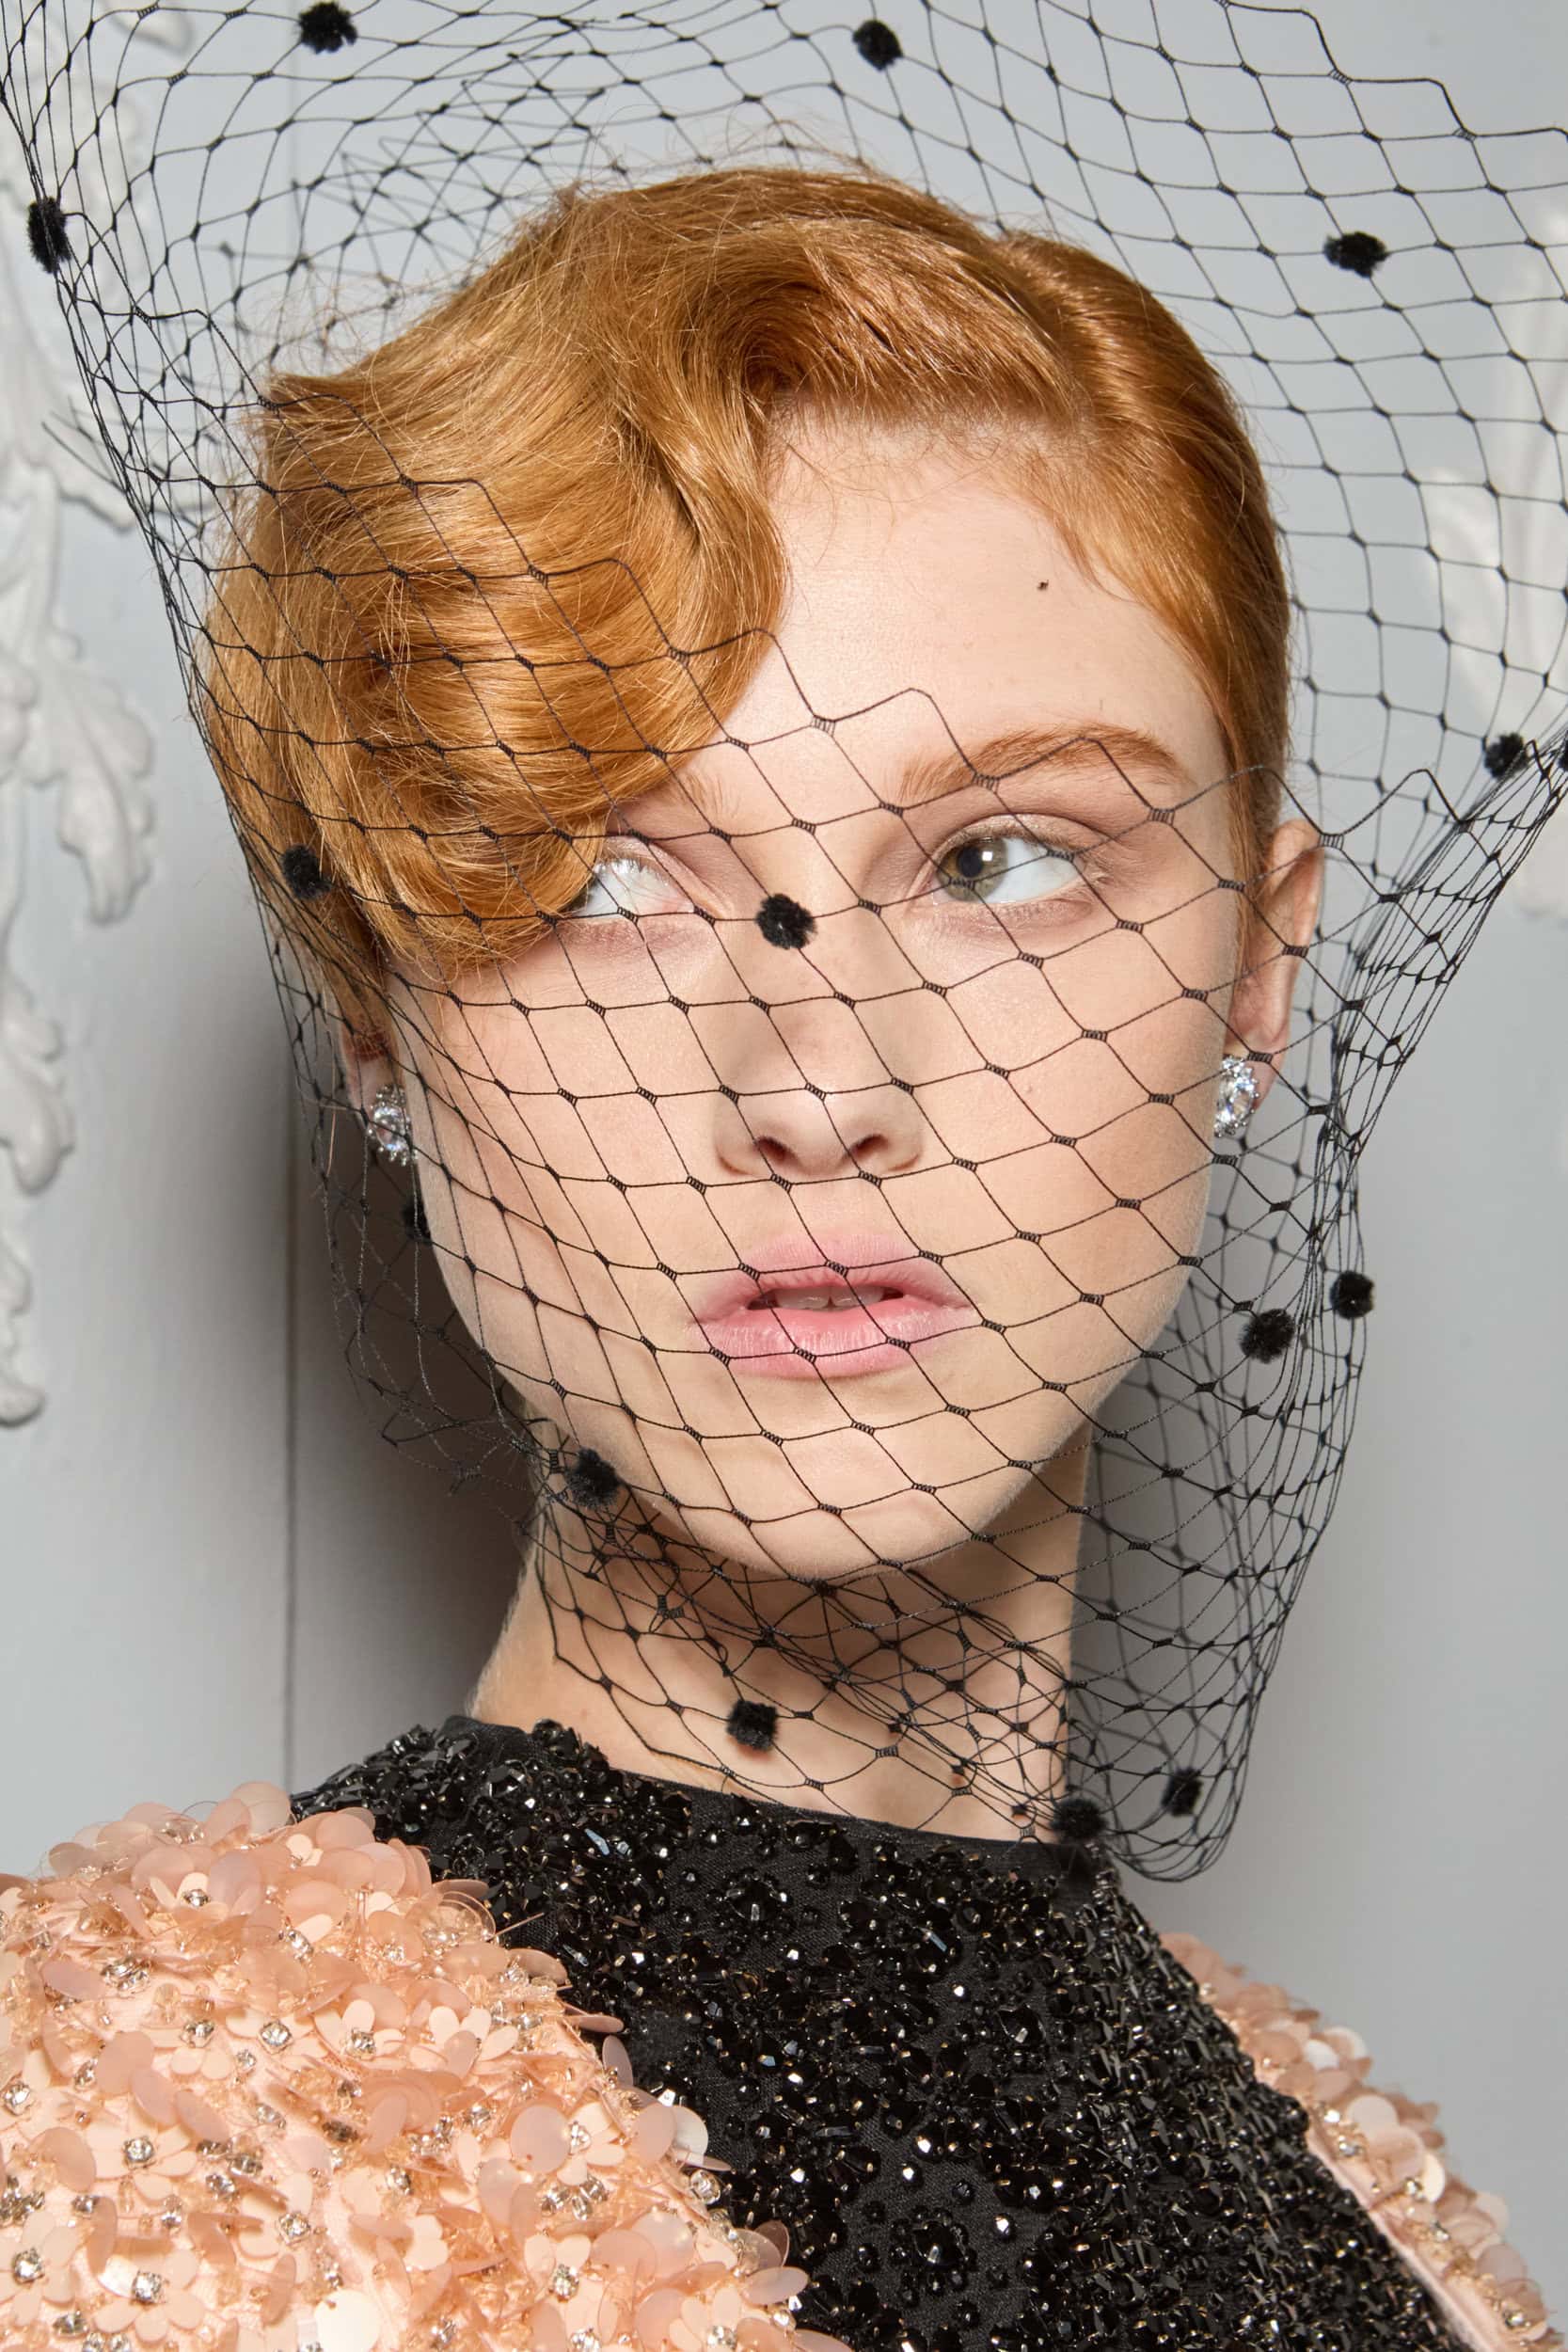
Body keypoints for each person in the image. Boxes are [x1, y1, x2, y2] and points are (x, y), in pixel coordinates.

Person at [0, 45, 1561, 2352]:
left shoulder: (1408, 2234)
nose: (817, 1086)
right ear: (377, 1015)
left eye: (1003, 859)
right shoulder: (99, 2139)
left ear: (1259, 961)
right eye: (604, 878)